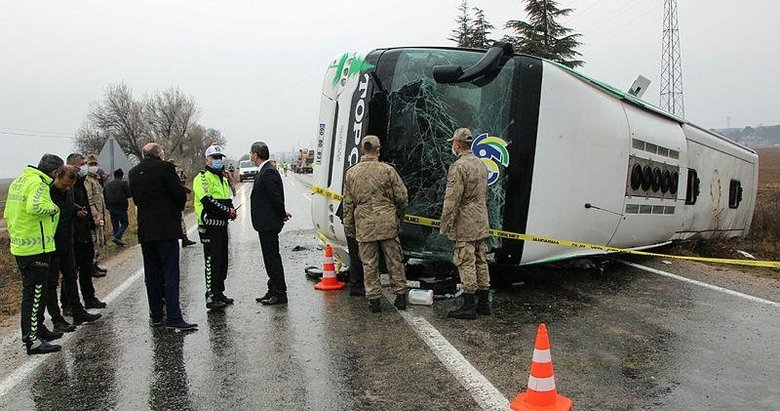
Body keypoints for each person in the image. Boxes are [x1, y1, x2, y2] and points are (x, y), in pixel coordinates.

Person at [129, 143, 197, 332]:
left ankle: (156, 315)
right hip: (166, 227)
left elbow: (136, 199)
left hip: (146, 230)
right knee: (170, 272)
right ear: (159, 154)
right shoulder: (165, 168)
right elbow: (178, 194)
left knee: (151, 273)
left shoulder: (134, 172)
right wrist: (177, 205)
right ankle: (174, 316)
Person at [4, 154, 64, 354]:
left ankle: (38, 329)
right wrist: (54, 208)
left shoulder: (19, 181)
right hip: (35, 247)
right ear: (55, 172)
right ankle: (32, 340)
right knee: (35, 293)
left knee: (36, 291)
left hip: (22, 246)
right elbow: (36, 206)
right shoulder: (38, 184)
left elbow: (8, 213)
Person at [342, 135, 409, 313]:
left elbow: (348, 205)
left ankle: (374, 300)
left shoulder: (351, 173)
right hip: (387, 222)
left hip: (364, 224)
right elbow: (402, 197)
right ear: (378, 150)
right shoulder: (388, 170)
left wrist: (349, 228)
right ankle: (401, 296)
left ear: (362, 150)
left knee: (369, 263)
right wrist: (398, 218)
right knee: (394, 261)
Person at [441, 128, 491, 320]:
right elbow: (485, 195)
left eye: (453, 143)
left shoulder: (458, 166)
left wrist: (446, 224)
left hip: (466, 220)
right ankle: (484, 302)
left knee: (465, 259)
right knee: (481, 258)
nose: (453, 146)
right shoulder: (481, 164)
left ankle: (469, 304)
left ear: (458, 144)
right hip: (481, 218)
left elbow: (452, 199)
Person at [47, 165, 102, 332]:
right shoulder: (47, 193)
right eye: (65, 184)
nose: (68, 188)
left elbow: (69, 206)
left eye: (70, 185)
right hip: (52, 243)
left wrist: (77, 210)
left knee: (71, 276)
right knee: (52, 283)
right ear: (57, 177)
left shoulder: (69, 191)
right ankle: (57, 318)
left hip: (68, 239)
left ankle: (78, 311)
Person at [193, 145, 237, 310]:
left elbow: (226, 198)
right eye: (214, 158)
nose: (218, 160)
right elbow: (208, 201)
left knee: (223, 261)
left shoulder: (223, 178)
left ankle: (219, 292)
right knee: (212, 261)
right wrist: (228, 211)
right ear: (207, 160)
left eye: (220, 157)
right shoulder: (202, 177)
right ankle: (211, 296)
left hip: (222, 226)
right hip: (208, 226)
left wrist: (231, 210)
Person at [250, 141, 291, 306]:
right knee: (269, 259)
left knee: (272, 259)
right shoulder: (265, 170)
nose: (251, 156)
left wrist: (281, 214)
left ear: (256, 155)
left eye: (252, 153)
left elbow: (275, 197)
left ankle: (280, 293)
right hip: (266, 223)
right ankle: (273, 288)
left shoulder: (267, 172)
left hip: (268, 224)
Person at [66, 153, 107, 310]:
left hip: (86, 228)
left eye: (85, 163)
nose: (84, 167)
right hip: (74, 232)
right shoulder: (67, 185)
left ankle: (89, 298)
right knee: (71, 271)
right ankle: (68, 304)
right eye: (81, 164)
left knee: (86, 266)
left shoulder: (84, 181)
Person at [84, 154, 108, 276]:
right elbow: (90, 200)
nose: (93, 167)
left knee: (99, 241)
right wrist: (95, 217)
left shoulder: (95, 179)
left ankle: (96, 264)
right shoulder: (87, 180)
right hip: (94, 216)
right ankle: (91, 267)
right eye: (90, 164)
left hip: (100, 213)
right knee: (94, 242)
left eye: (95, 164)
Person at [103, 168, 132, 246]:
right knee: (125, 223)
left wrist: (107, 206)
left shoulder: (107, 185)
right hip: (121, 206)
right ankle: (117, 237)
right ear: (122, 176)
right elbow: (129, 194)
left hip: (110, 207)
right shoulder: (123, 183)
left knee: (115, 224)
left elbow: (104, 196)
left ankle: (118, 240)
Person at [177, 167, 197, 248]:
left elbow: (184, 179)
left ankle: (184, 239)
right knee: (180, 220)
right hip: (176, 200)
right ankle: (184, 238)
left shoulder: (178, 173)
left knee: (181, 220)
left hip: (178, 198)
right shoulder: (171, 174)